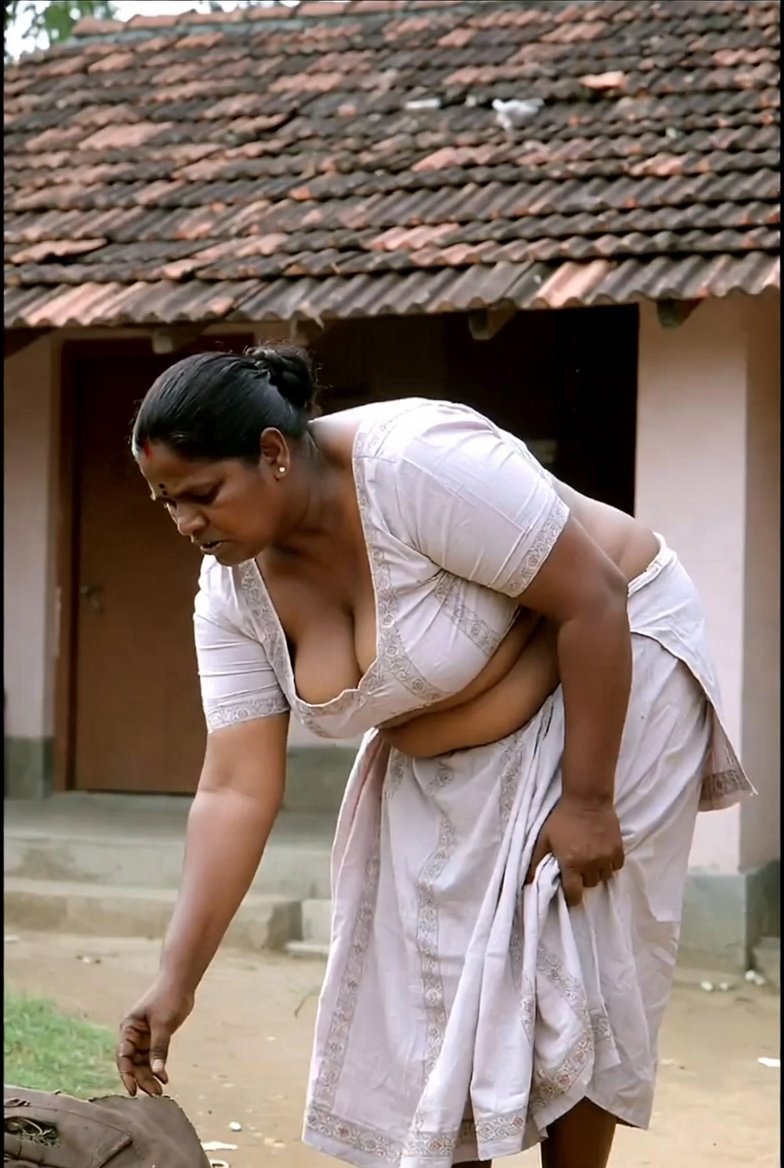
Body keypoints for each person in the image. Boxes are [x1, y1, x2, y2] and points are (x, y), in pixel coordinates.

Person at [117, 344, 752, 1168]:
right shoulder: (230, 593)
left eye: (202, 495)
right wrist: (177, 978)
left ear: (274, 454)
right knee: (424, 973)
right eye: (166, 503)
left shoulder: (415, 466)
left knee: (574, 939)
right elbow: (235, 788)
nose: (186, 524)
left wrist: (588, 801)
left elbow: (593, 595)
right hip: (474, 705)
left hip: (620, 650)